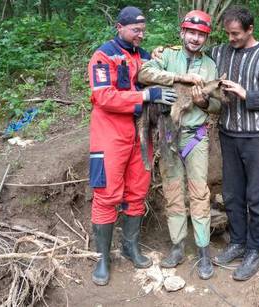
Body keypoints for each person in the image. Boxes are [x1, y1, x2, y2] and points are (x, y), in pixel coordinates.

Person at [87, 6, 178, 286]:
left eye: (143, 30)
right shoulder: (103, 56)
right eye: (135, 30)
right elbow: (103, 96)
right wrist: (145, 94)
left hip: (141, 132)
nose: (141, 34)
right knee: (106, 193)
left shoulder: (144, 56)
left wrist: (165, 55)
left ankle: (130, 247)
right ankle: (103, 257)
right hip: (109, 132)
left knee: (137, 190)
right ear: (119, 27)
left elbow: (159, 71)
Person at [209, 6, 259, 281]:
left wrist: (247, 94)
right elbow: (197, 64)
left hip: (258, 137)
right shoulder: (219, 52)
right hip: (228, 133)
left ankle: (255, 249)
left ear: (250, 30)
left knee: (256, 196)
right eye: (228, 33)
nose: (231, 38)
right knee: (232, 194)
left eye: (236, 34)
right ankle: (237, 242)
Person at [138, 10, 220, 280]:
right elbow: (145, 73)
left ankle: (203, 250)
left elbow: (217, 102)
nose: (195, 38)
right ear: (182, 32)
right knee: (173, 190)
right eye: (191, 32)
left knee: (199, 192)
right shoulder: (167, 56)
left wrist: (203, 102)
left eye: (201, 34)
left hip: (196, 135)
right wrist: (179, 78)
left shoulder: (209, 65)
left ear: (206, 37)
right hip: (169, 132)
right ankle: (176, 246)